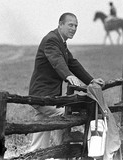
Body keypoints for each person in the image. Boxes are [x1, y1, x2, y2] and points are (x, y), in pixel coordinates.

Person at [28, 12, 104, 153]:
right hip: (42, 95)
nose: (73, 28)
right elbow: (57, 60)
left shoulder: (60, 42)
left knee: (41, 127)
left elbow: (72, 63)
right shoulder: (51, 40)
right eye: (70, 25)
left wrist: (91, 80)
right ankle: (61, 151)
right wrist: (68, 76)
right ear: (60, 24)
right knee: (65, 115)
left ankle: (36, 154)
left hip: (48, 96)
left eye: (76, 26)